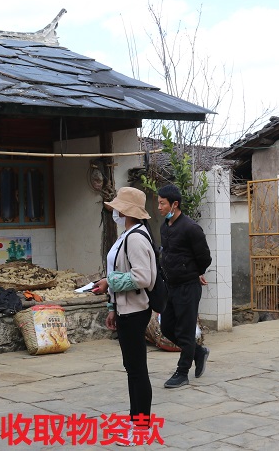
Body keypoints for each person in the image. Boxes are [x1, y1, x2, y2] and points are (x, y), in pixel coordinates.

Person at [92, 187, 157, 446]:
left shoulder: (136, 238)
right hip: (124, 309)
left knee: (137, 370)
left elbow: (142, 277)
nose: (115, 212)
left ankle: (141, 428)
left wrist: (109, 282)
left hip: (135, 310)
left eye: (118, 207)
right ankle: (135, 422)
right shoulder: (128, 235)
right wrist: (112, 307)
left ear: (126, 211)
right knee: (132, 369)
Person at [156, 184, 212, 389]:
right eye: (158, 203)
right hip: (170, 286)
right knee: (167, 327)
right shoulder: (165, 227)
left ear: (175, 204)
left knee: (185, 331)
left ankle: (182, 372)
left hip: (188, 286)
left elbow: (204, 257)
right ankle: (198, 352)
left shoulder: (191, 228)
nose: (159, 207)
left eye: (162, 203)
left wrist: (194, 272)